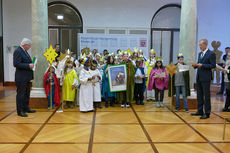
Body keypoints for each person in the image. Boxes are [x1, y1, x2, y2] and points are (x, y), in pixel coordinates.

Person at [191, 39, 216, 119]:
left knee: (206, 96)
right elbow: (199, 64)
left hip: (206, 78)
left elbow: (212, 65)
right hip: (199, 77)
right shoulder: (200, 54)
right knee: (200, 95)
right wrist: (195, 66)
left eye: (201, 45)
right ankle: (200, 111)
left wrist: (202, 65)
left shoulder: (211, 54)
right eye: (199, 45)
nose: (200, 47)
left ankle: (207, 113)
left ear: (205, 45)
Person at [13, 38, 36, 117]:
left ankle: (26, 108)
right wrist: (28, 65)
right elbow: (16, 64)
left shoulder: (24, 51)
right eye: (29, 45)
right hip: (21, 77)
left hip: (26, 77)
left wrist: (32, 64)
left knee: (26, 94)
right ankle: (20, 111)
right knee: (21, 95)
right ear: (25, 45)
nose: (29, 47)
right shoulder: (18, 51)